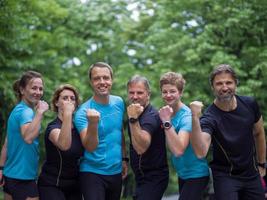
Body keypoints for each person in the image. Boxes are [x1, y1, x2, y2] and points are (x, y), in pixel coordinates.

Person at [190, 64, 266, 200]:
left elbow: (259, 133)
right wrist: (195, 117)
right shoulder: (209, 117)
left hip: (251, 174)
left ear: (236, 84)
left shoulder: (250, 104)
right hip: (225, 177)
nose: (224, 87)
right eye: (219, 84)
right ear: (213, 87)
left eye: (228, 82)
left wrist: (261, 163)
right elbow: (200, 152)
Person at [74, 62, 128, 200]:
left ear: (112, 80)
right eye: (97, 78)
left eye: (106, 78)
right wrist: (93, 123)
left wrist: (124, 159)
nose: (102, 82)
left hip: (116, 172)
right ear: (91, 82)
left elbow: (119, 131)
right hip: (92, 173)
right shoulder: (82, 112)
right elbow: (90, 147)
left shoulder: (119, 102)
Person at [158, 72, 209, 200]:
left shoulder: (186, 116)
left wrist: (166, 122)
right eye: (165, 92)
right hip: (184, 175)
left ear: (180, 93)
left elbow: (179, 150)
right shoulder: (169, 114)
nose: (168, 95)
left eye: (172, 91)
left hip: (197, 175)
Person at [0, 71, 49, 200]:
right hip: (23, 178)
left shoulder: (17, 109)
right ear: (22, 90)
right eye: (34, 88)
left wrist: (1, 168)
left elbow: (7, 143)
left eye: (40, 89)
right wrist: (40, 112)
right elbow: (28, 138)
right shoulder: (26, 112)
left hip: (10, 175)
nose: (38, 92)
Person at [38, 84, 84, 200]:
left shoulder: (80, 128)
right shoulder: (52, 127)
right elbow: (64, 145)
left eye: (72, 99)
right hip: (52, 184)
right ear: (56, 103)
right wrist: (67, 114)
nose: (69, 101)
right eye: (65, 98)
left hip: (74, 185)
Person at [127, 75, 169, 200]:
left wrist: (133, 120)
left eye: (139, 92)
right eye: (131, 92)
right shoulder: (135, 113)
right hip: (141, 177)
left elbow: (141, 148)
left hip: (154, 177)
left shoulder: (151, 116)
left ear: (148, 94)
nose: (135, 96)